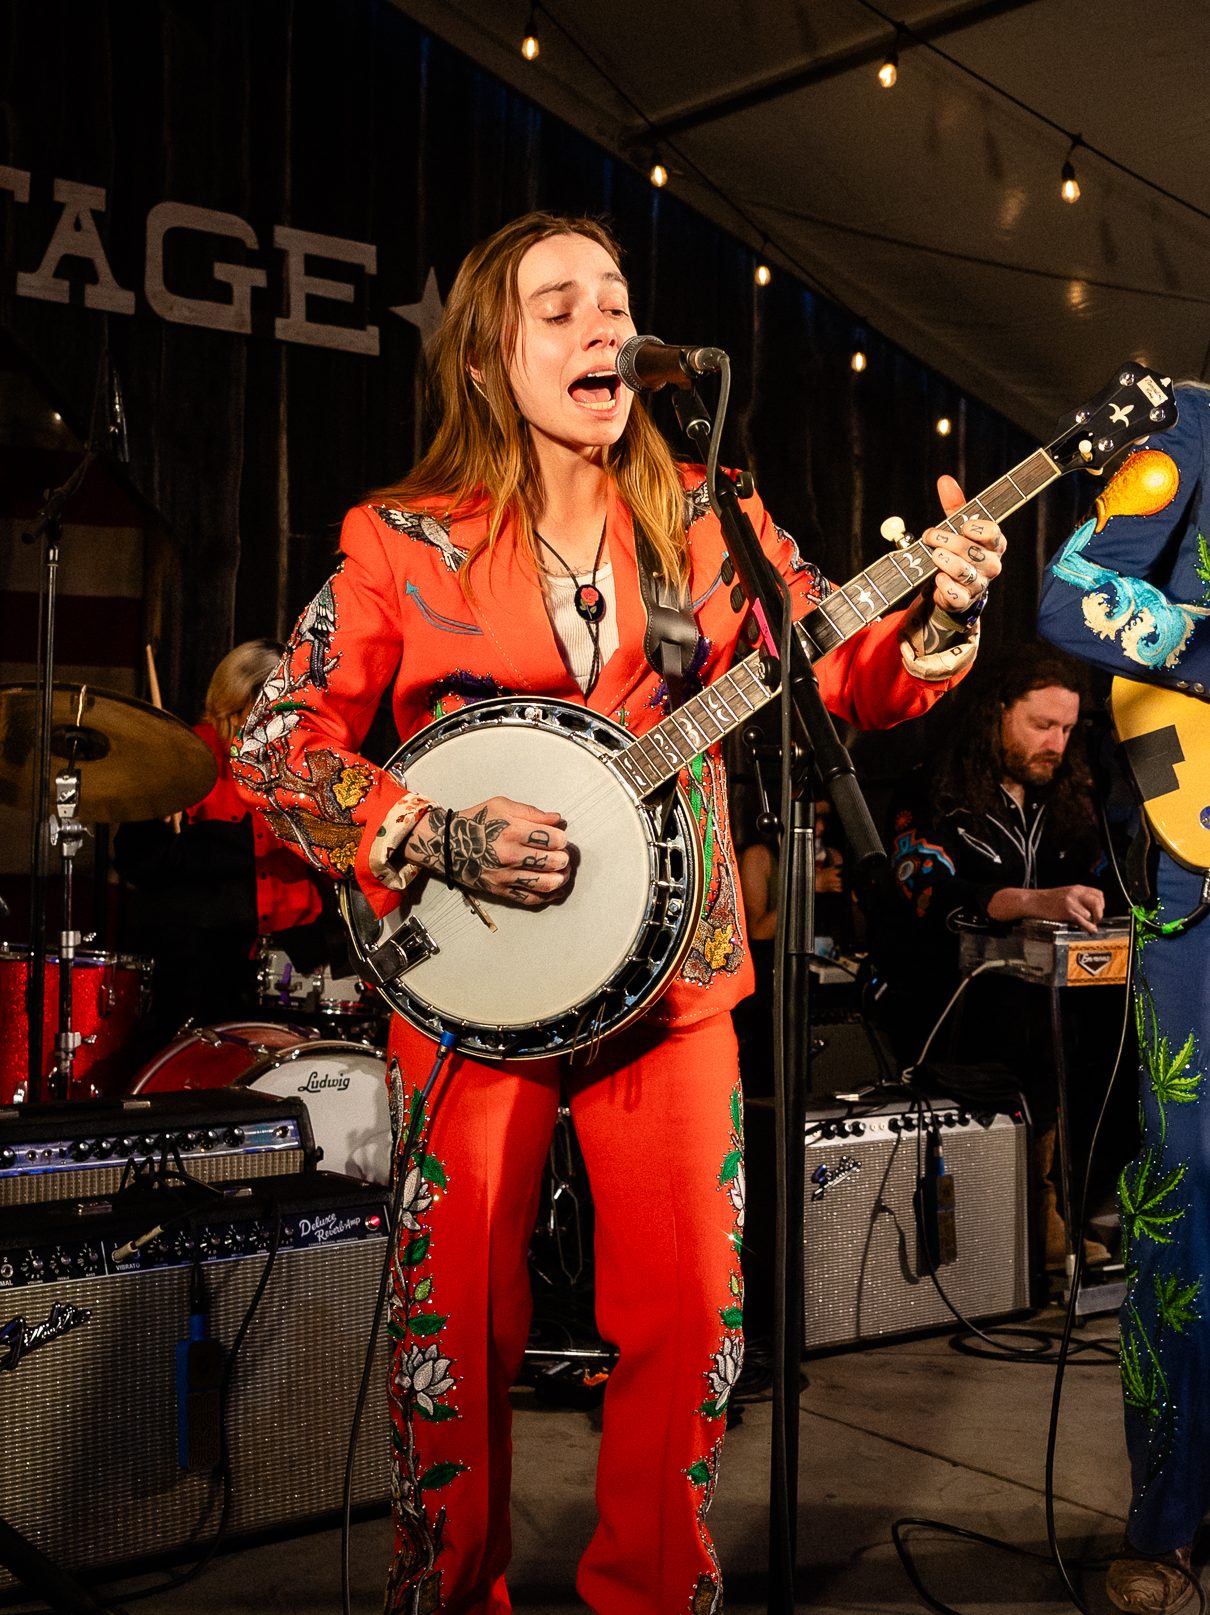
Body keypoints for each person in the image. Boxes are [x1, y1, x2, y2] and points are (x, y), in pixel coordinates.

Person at [230, 211, 1004, 1615]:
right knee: (454, 1324)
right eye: (560, 306)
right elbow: (275, 739)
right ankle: (448, 1593)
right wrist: (433, 828)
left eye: (616, 297)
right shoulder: (403, 541)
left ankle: (653, 1593)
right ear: (487, 360)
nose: (604, 323)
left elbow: (845, 672)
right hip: (472, 988)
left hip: (675, 974)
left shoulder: (709, 517)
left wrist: (939, 613)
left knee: (693, 1316)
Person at [1038, 381, 1210, 1614]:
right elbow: (1070, 591)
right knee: (1186, 1189)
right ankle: (1166, 1520)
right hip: (1199, 869)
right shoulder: (1192, 428)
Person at [871, 643, 1114, 1269]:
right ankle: (1011, 1224)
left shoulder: (1067, 800)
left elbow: (1099, 884)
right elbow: (928, 892)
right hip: (944, 1001)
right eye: (1041, 724)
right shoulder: (933, 790)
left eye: (1067, 729)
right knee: (1014, 1033)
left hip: (1044, 1008)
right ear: (998, 712)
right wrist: (1033, 901)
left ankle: (1058, 1207)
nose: (1056, 743)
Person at [115, 639, 327, 1056]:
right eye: (268, 706)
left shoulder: (306, 757)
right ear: (235, 703)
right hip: (204, 962)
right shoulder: (186, 758)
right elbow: (135, 861)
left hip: (295, 955)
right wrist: (202, 844)